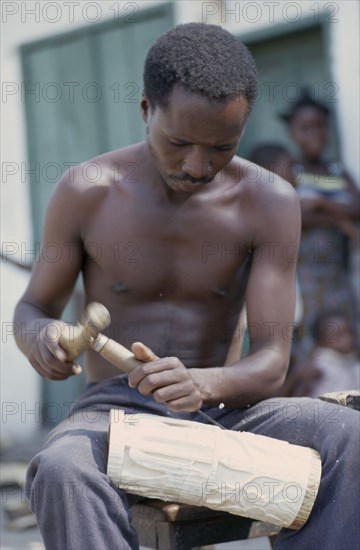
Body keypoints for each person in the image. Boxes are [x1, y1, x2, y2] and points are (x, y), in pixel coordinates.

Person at [14, 23, 358, 550]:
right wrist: (40, 337)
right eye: (178, 143)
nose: (197, 166)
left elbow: (271, 362)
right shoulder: (87, 190)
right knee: (61, 469)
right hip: (116, 411)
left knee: (346, 436)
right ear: (146, 109)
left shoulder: (269, 201)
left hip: (230, 410)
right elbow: (34, 307)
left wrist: (205, 385)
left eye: (222, 146)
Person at [281, 91, 360, 369]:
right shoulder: (290, 168)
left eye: (319, 126)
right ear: (293, 132)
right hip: (305, 274)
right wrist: (337, 216)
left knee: (347, 332)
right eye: (305, 128)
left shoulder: (336, 169)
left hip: (338, 272)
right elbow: (287, 215)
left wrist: (318, 204)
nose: (313, 133)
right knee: (312, 338)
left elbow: (357, 208)